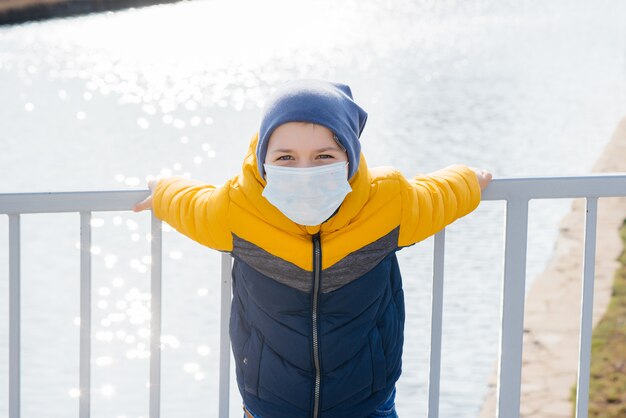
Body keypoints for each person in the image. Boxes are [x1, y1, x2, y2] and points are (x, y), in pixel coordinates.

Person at [133, 79, 492, 418]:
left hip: (367, 403)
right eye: (285, 158)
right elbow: (190, 204)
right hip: (270, 405)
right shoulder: (237, 210)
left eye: (324, 156)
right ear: (262, 161)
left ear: (349, 157)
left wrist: (469, 181)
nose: (304, 169)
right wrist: (162, 191)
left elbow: (437, 196)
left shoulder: (386, 203)